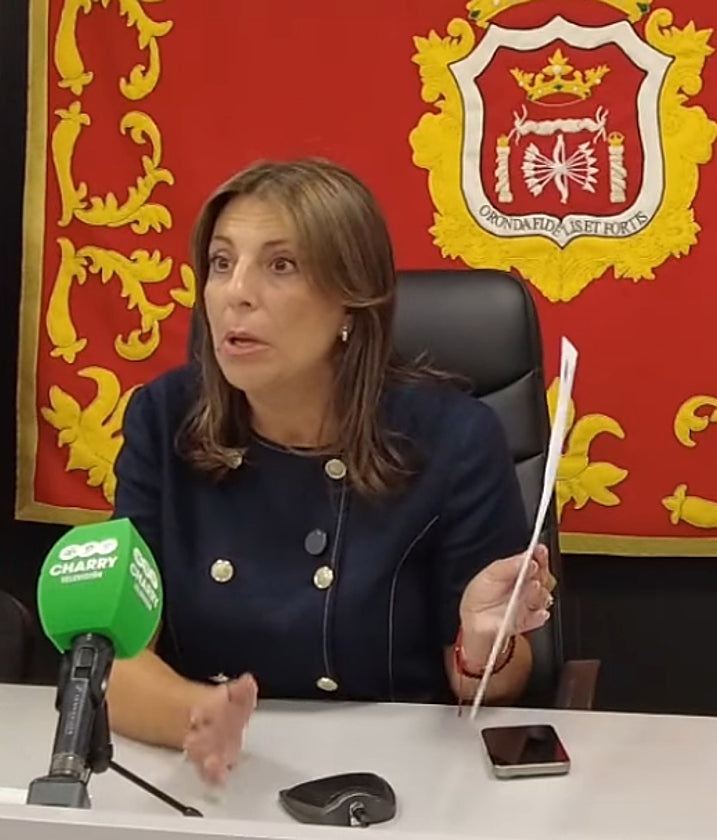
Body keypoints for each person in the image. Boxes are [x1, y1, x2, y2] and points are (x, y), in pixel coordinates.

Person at [109, 158, 556, 785]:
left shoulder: (452, 437)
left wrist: (485, 643)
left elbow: (492, 684)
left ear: (351, 298)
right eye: (220, 262)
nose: (236, 292)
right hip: (218, 777)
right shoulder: (164, 420)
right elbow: (115, 656)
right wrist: (200, 716)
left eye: (280, 265)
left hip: (400, 781)